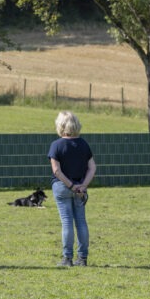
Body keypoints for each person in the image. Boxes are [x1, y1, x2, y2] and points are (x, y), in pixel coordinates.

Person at [48, 111, 96, 267]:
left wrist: (70, 186)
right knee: (81, 222)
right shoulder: (84, 144)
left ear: (61, 126)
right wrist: (82, 186)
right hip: (80, 189)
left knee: (67, 222)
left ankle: (67, 258)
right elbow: (92, 168)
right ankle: (82, 258)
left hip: (63, 187)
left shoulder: (56, 145)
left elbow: (56, 171)